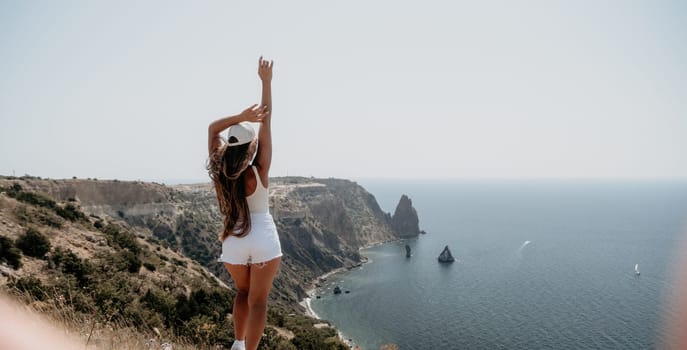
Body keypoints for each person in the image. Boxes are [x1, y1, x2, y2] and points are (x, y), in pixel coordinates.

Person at [207, 57, 281, 350]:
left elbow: (213, 130)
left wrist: (239, 115)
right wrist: (266, 82)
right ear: (251, 148)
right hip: (263, 237)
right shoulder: (258, 169)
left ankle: (237, 344)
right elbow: (268, 118)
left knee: (242, 293)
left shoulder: (219, 172)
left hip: (234, 240)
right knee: (259, 302)